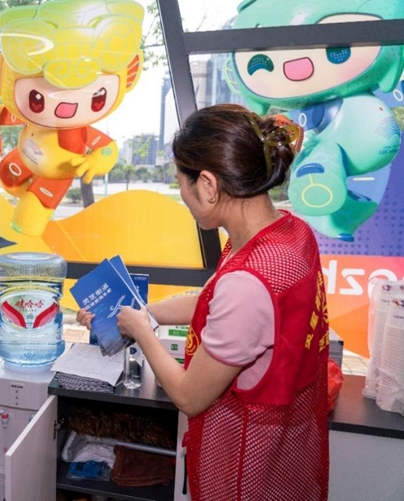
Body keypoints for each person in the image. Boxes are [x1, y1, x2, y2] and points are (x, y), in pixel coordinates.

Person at [78, 104, 329, 500]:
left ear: (208, 185)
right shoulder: (290, 232)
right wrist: (143, 313)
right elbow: (214, 302)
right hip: (287, 448)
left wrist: (143, 332)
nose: (182, 195)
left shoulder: (248, 281)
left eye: (181, 182)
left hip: (245, 462)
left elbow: (189, 396)